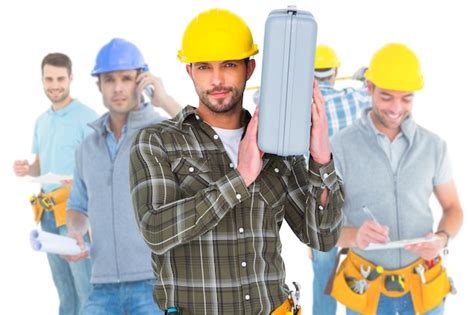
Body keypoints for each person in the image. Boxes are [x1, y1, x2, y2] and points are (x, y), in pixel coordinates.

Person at [129, 9, 343, 314]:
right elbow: (156, 231)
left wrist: (321, 158)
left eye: (229, 65)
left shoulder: (277, 146)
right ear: (190, 71)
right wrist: (239, 178)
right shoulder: (158, 142)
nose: (216, 79)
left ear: (249, 68)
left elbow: (322, 237)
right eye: (204, 67)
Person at [330, 43, 463, 315]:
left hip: (424, 287)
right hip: (366, 289)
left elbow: (453, 209)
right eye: (387, 96)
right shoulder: (340, 147)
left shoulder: (433, 146)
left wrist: (441, 238)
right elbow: (320, 228)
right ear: (369, 88)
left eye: (406, 98)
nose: (396, 108)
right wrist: (355, 236)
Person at [63, 38, 181, 315]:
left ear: (141, 80)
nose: (117, 88)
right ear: (99, 85)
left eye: (126, 79)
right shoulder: (87, 148)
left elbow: (207, 143)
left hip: (154, 286)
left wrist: (163, 99)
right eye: (109, 79)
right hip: (101, 286)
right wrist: (74, 232)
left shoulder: (163, 133)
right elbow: (77, 207)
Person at [13, 53, 96, 315]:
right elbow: (40, 163)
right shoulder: (41, 121)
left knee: (86, 290)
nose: (55, 84)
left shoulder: (87, 117)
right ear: (42, 80)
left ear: (71, 78)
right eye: (49, 79)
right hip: (47, 212)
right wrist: (29, 168)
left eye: (60, 78)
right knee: (64, 290)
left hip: (74, 213)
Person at [309, 45, 371, 315]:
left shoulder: (302, 107)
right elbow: (372, 93)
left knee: (324, 269)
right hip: (356, 194)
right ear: (335, 73)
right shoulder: (352, 98)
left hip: (321, 197)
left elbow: (262, 99)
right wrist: (364, 77)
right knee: (356, 262)